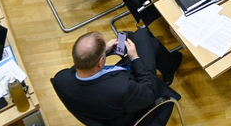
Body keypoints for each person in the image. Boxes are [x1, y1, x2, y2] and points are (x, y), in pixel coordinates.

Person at [52, 29, 181, 126]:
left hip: (105, 109)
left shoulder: (60, 79)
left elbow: (81, 65)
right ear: (101, 62)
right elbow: (149, 92)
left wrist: (105, 50)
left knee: (146, 40)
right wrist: (135, 58)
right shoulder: (122, 88)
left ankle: (170, 65)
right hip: (133, 109)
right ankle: (170, 66)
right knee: (142, 34)